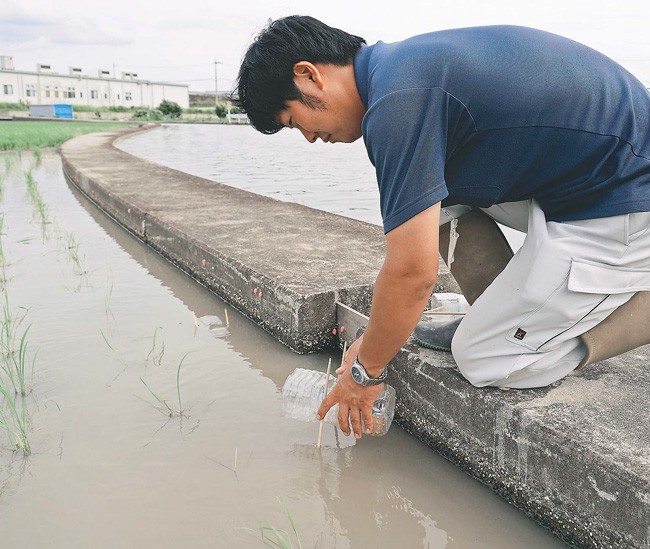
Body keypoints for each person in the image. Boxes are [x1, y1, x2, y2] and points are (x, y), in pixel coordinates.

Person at [234, 15, 650, 439]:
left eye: (292, 120)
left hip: (627, 192)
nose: (306, 137)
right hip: (587, 174)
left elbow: (412, 274)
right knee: (437, 200)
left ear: (308, 75)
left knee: (485, 359)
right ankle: (502, 313)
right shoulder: (400, 71)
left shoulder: (397, 104)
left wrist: (364, 371)